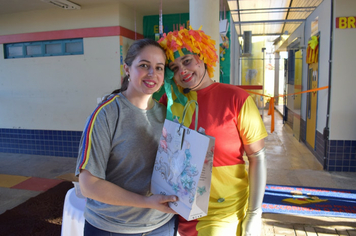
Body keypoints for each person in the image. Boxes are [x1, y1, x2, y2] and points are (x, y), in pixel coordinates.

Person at [156, 27, 268, 236]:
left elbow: (257, 158)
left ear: (203, 57)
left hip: (223, 211)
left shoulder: (237, 99)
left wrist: (255, 213)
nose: (183, 71)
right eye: (175, 67)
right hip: (177, 208)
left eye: (187, 61)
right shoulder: (168, 102)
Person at [75, 38, 178, 236]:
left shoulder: (167, 114)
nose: (152, 74)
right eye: (144, 65)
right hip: (112, 227)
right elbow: (89, 185)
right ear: (127, 69)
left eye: (159, 68)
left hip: (161, 224)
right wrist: (146, 202)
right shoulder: (107, 114)